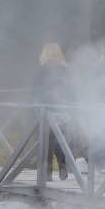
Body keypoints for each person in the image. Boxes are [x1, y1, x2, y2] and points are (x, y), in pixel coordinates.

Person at [33, 42, 72, 180]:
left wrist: (36, 107)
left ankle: (47, 172)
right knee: (59, 139)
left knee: (46, 140)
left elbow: (36, 90)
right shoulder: (65, 69)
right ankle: (62, 166)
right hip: (62, 109)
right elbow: (70, 89)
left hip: (47, 109)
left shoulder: (42, 70)